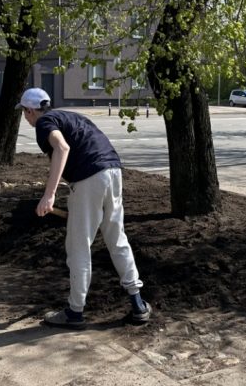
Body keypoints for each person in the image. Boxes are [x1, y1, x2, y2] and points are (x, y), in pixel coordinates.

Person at [16, 87, 151, 327]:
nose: (25, 117)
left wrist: (49, 195)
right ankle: (138, 303)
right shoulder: (69, 116)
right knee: (117, 239)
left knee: (78, 246)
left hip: (90, 177)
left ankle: (75, 312)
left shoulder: (44, 123)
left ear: (29, 110)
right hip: (113, 170)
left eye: (24, 113)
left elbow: (62, 148)